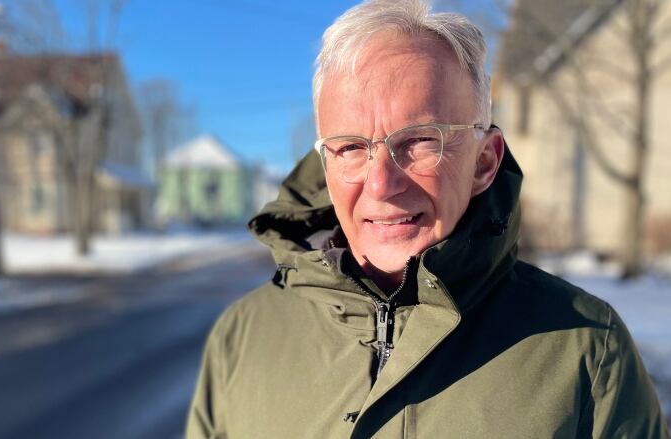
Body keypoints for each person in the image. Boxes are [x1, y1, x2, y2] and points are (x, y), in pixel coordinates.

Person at [186, 0, 669, 437]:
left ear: (484, 161)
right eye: (351, 147)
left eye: (419, 140)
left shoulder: (584, 349)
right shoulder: (243, 335)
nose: (381, 185)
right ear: (326, 165)